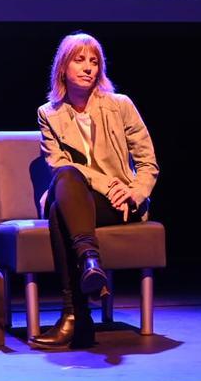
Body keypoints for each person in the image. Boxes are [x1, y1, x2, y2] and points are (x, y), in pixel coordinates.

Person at [29, 33, 159, 349]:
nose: (88, 68)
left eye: (94, 61)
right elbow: (57, 166)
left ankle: (75, 317)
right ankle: (89, 260)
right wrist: (104, 182)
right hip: (77, 193)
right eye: (79, 59)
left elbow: (148, 162)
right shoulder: (49, 113)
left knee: (60, 212)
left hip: (118, 202)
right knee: (67, 175)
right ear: (63, 68)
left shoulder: (120, 105)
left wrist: (135, 192)